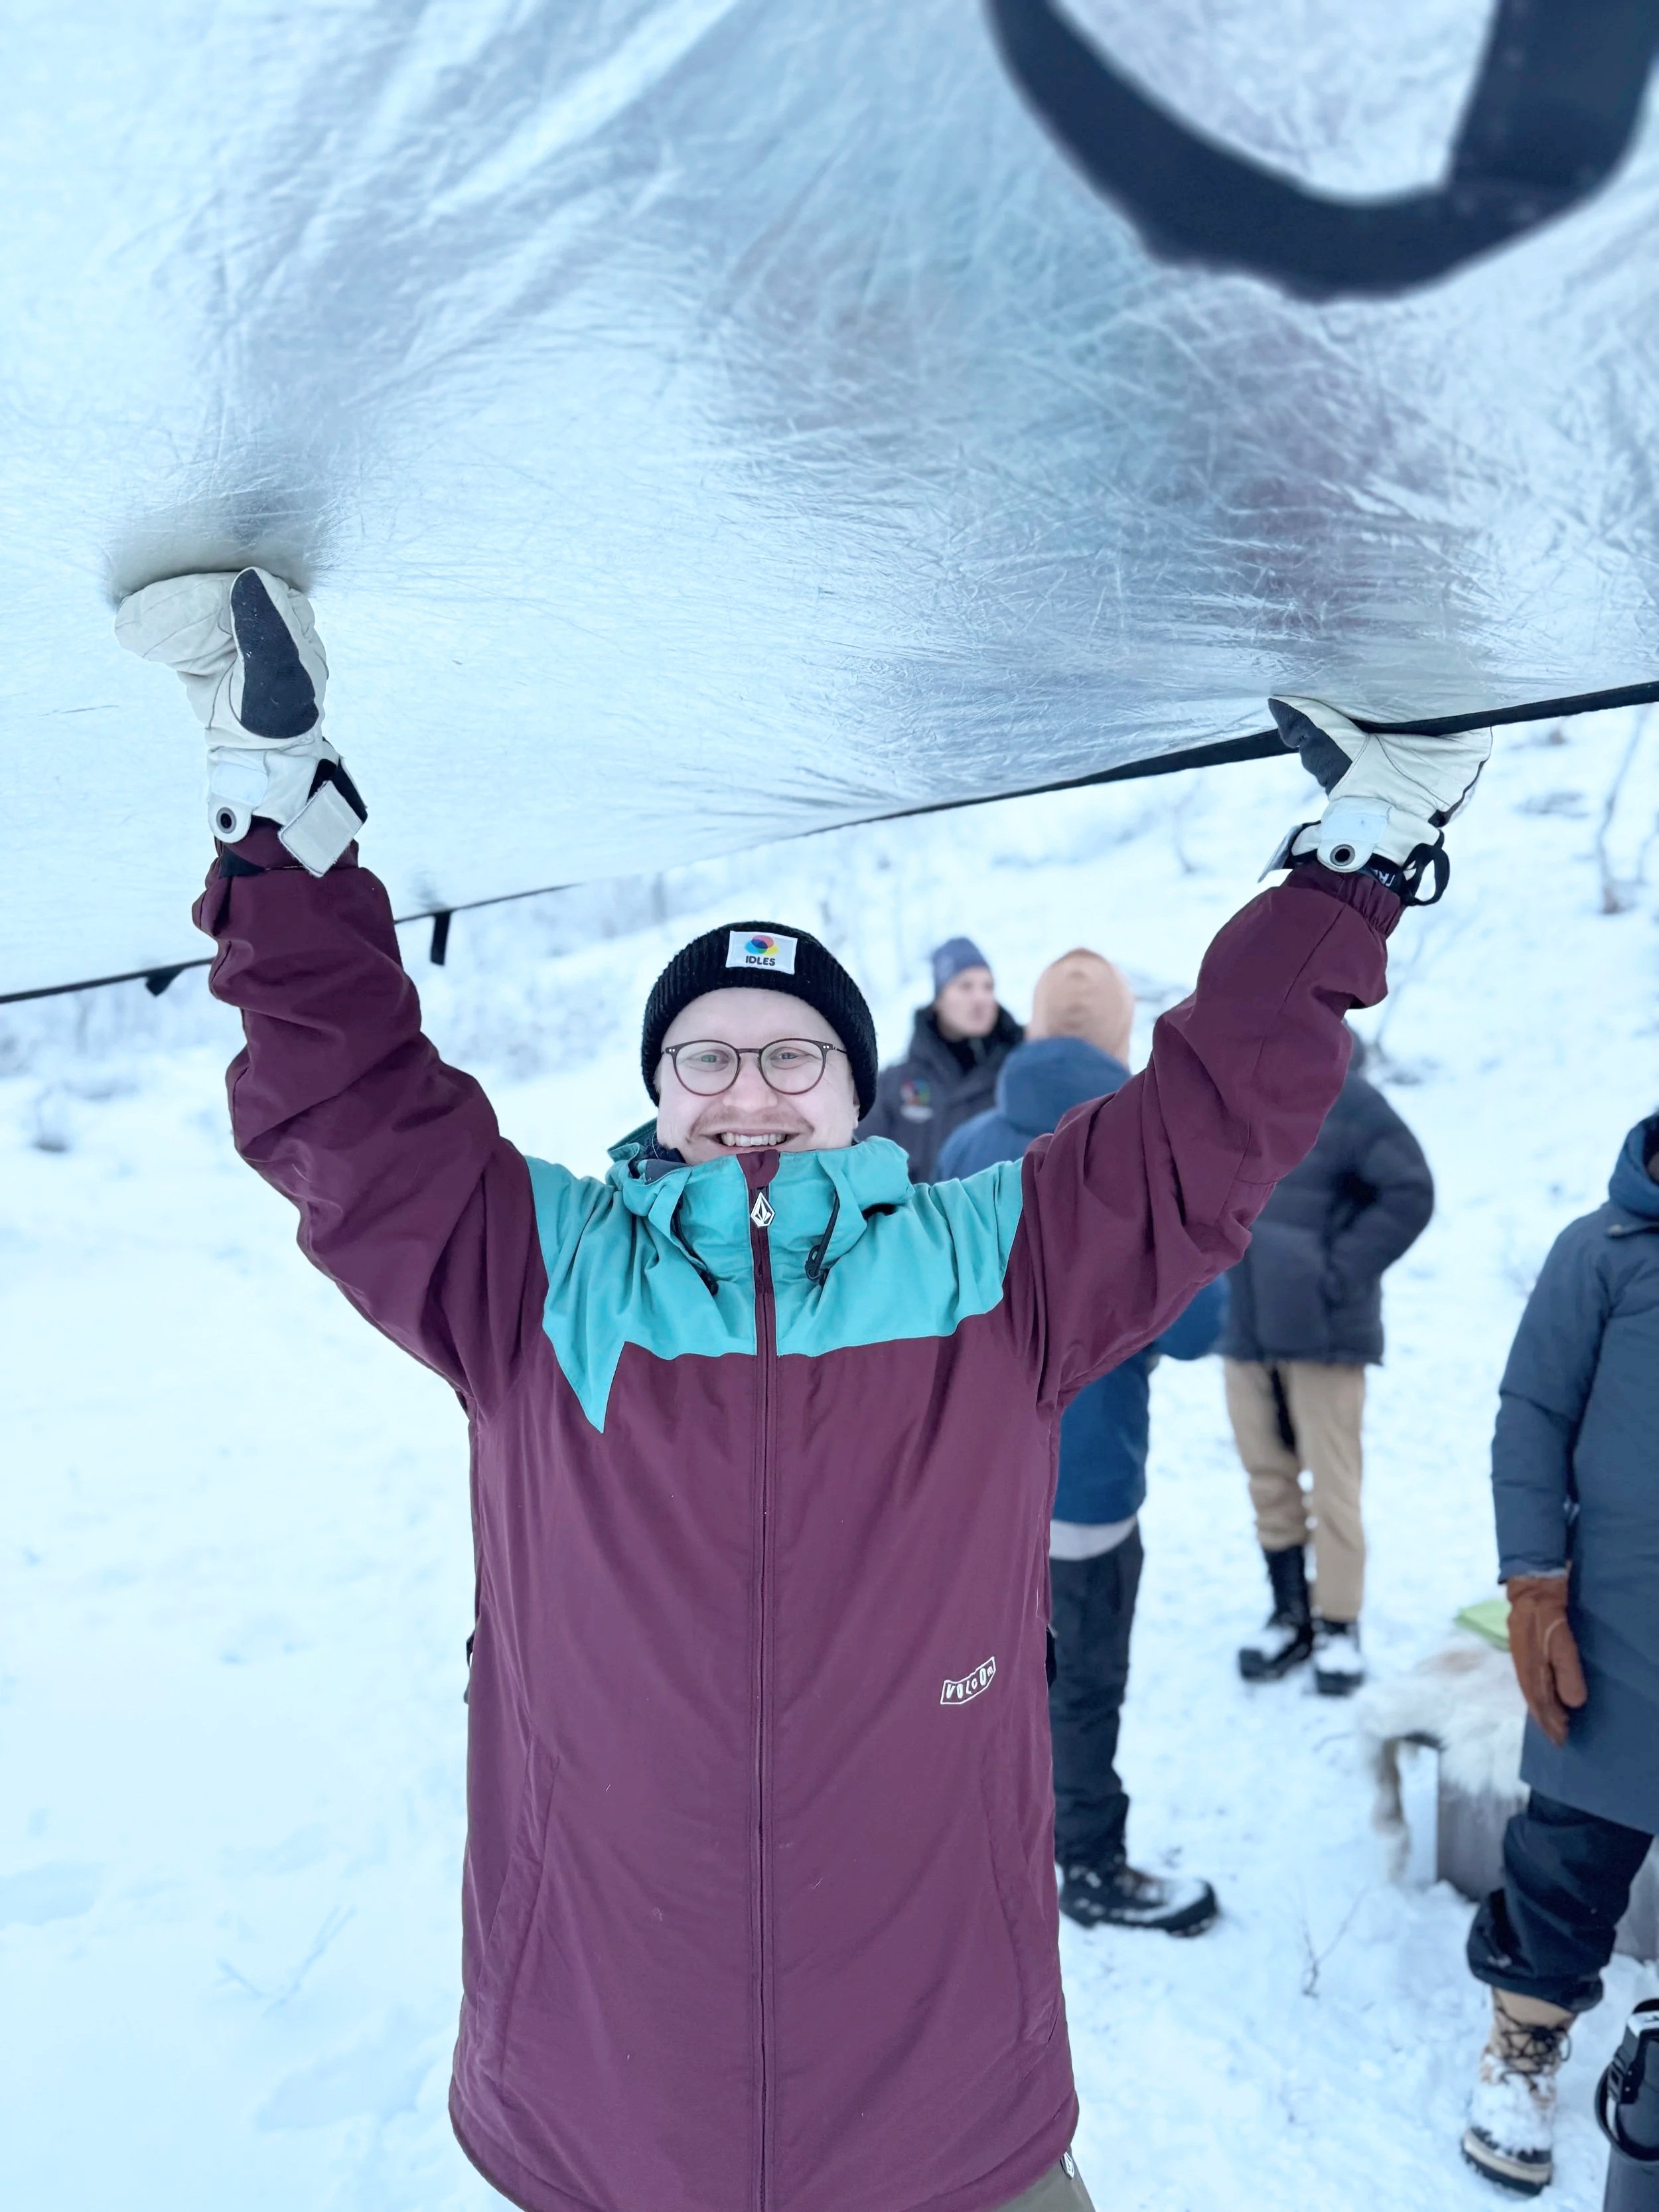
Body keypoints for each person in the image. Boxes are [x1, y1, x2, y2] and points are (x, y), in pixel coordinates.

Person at [114, 582, 1486, 2212]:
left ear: (857, 1093)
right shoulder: (536, 1275)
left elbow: (1208, 1127)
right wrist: (278, 827)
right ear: (656, 1092)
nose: (746, 1090)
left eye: (789, 1057)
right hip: (607, 2108)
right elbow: (345, 1105)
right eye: (706, 1056)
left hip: (951, 2120)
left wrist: (1362, 857)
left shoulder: (998, 1265)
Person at [940, 949, 1226, 1937]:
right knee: (1084, 1685)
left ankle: (974, 1850)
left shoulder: (968, 1139)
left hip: (974, 1481)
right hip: (1090, 1486)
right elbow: (1199, 1329)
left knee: (980, 1673)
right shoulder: (1148, 1161)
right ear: (1117, 1039)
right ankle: (1091, 1868)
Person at [1459, 1111, 1659, 2197]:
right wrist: (1534, 1580)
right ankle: (1522, 2045)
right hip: (1623, 1626)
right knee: (1570, 1856)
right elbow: (1531, 1412)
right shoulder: (1606, 1250)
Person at [1224, 1035, 1433, 1694]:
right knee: (1267, 1476)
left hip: (1325, 1332)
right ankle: (1289, 1616)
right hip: (1246, 1323)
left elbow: (1410, 1191)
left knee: (1333, 1485)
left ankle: (1339, 1623)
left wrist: (1336, 1272)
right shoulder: (1241, 1099)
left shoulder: (1353, 1101)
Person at [857, 934, 1023, 1179]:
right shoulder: (894, 1085)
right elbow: (859, 1168)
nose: (981, 998)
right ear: (939, 999)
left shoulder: (1019, 1074)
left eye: (988, 987)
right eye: (965, 986)